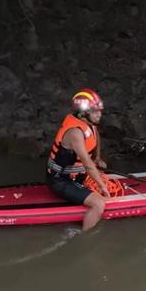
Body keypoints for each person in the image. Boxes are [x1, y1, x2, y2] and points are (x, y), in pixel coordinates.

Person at [47, 88, 111, 231]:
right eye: (95, 111)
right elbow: (87, 165)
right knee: (99, 203)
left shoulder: (89, 124)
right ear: (83, 113)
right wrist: (102, 186)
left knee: (102, 167)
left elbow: (95, 136)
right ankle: (83, 236)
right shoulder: (74, 133)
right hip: (60, 180)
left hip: (77, 176)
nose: (99, 115)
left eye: (100, 111)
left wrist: (97, 158)